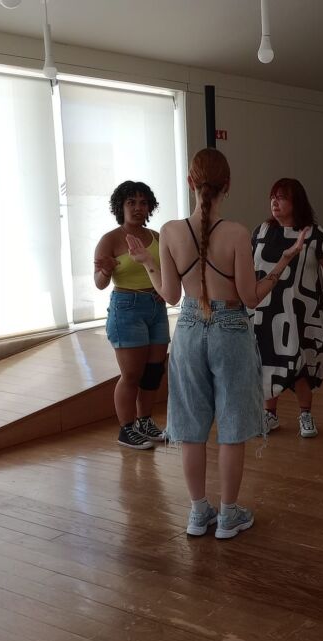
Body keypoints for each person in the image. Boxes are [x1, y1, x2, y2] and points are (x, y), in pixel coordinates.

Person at [131, 148, 308, 539]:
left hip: (189, 330)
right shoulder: (237, 233)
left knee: (190, 428)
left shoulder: (170, 232)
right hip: (230, 331)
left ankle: (198, 513)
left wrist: (147, 261)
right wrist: (283, 262)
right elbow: (251, 298)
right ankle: (228, 515)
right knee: (232, 426)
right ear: (228, 185)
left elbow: (170, 296)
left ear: (190, 182)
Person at [251, 179, 323, 438]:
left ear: (296, 201)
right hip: (267, 310)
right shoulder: (263, 231)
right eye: (272, 197)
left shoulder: (315, 234)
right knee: (268, 361)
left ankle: (305, 414)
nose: (275, 202)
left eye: (282, 197)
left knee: (301, 364)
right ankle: (270, 415)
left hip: (301, 311)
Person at [93, 180, 169, 450]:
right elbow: (99, 283)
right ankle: (126, 429)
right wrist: (106, 269)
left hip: (156, 307)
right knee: (132, 374)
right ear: (120, 206)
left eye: (143, 203)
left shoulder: (157, 237)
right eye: (131, 202)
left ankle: (144, 421)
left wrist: (164, 289)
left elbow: (168, 272)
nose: (138, 208)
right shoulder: (110, 239)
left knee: (153, 372)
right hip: (126, 308)